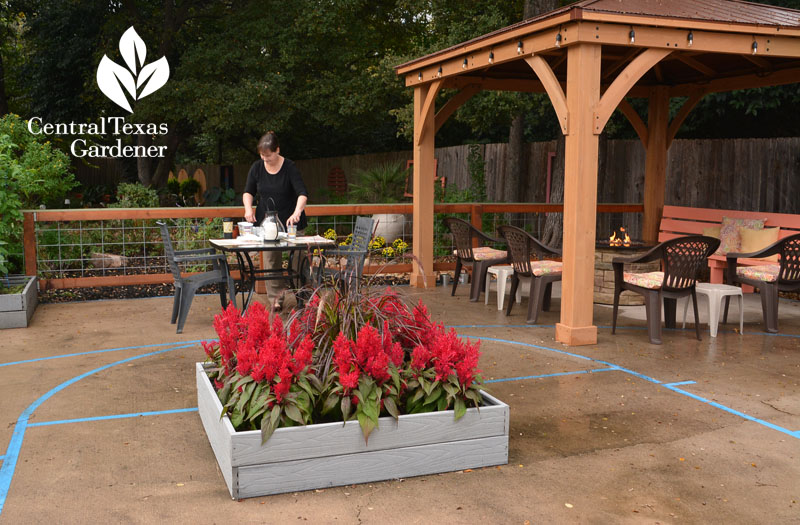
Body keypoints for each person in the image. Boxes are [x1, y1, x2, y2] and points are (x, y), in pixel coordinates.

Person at [243, 131, 308, 311]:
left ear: (277, 150)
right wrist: (248, 209)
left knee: (298, 261)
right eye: (263, 157)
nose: (266, 160)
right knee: (271, 261)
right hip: (268, 223)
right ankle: (276, 299)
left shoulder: (290, 167)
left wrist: (297, 212)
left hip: (292, 223)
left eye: (269, 156)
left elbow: (302, 193)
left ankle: (302, 296)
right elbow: (248, 192)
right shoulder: (257, 167)